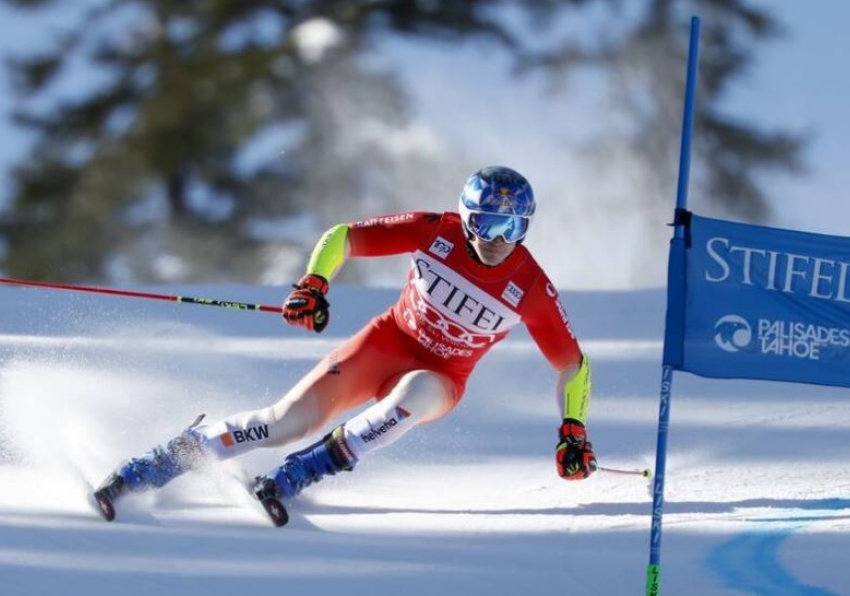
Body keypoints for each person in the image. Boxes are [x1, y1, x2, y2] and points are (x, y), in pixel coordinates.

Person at [93, 166, 597, 522]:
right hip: (384, 343)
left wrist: (572, 428)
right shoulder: (433, 231)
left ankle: (301, 472)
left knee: (415, 393)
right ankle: (156, 464)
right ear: (466, 217)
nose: (498, 238)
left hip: (442, 377)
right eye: (487, 222)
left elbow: (571, 364)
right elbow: (345, 237)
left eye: (513, 227)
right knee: (285, 421)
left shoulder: (529, 286)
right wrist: (313, 283)